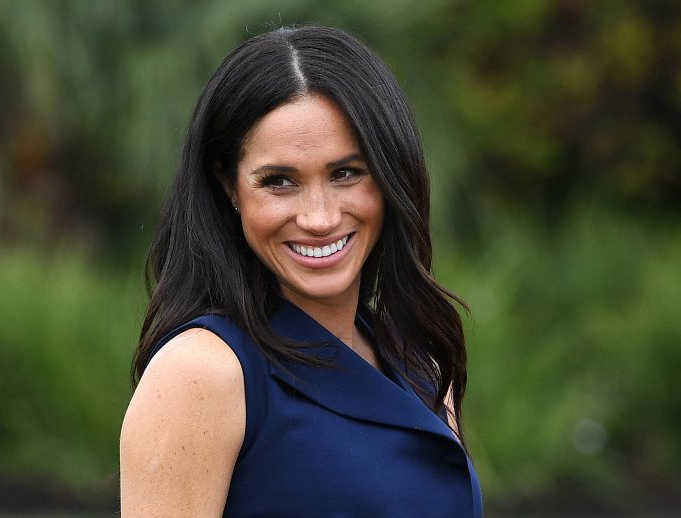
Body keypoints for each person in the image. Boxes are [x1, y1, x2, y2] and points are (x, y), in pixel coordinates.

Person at [120, 25, 483, 517]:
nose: (319, 218)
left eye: (346, 173)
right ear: (228, 186)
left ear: (391, 174)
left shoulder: (419, 360)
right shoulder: (201, 373)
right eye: (279, 181)